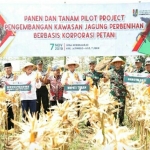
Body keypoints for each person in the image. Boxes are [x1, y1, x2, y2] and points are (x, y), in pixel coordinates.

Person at [104, 56, 127, 126]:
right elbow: (105, 81)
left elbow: (128, 81)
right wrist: (105, 76)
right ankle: (113, 122)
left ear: (121, 63)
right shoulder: (110, 72)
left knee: (121, 108)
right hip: (113, 93)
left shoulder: (124, 72)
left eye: (118, 62)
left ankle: (120, 122)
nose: (117, 64)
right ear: (114, 64)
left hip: (122, 93)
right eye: (116, 63)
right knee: (113, 108)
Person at [0, 63, 16, 129]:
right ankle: (7, 127)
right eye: (6, 68)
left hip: (13, 98)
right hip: (4, 99)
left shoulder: (15, 77)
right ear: (4, 69)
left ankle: (13, 127)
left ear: (11, 68)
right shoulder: (1, 78)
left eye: (9, 68)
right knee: (5, 112)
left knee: (12, 112)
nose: (8, 69)